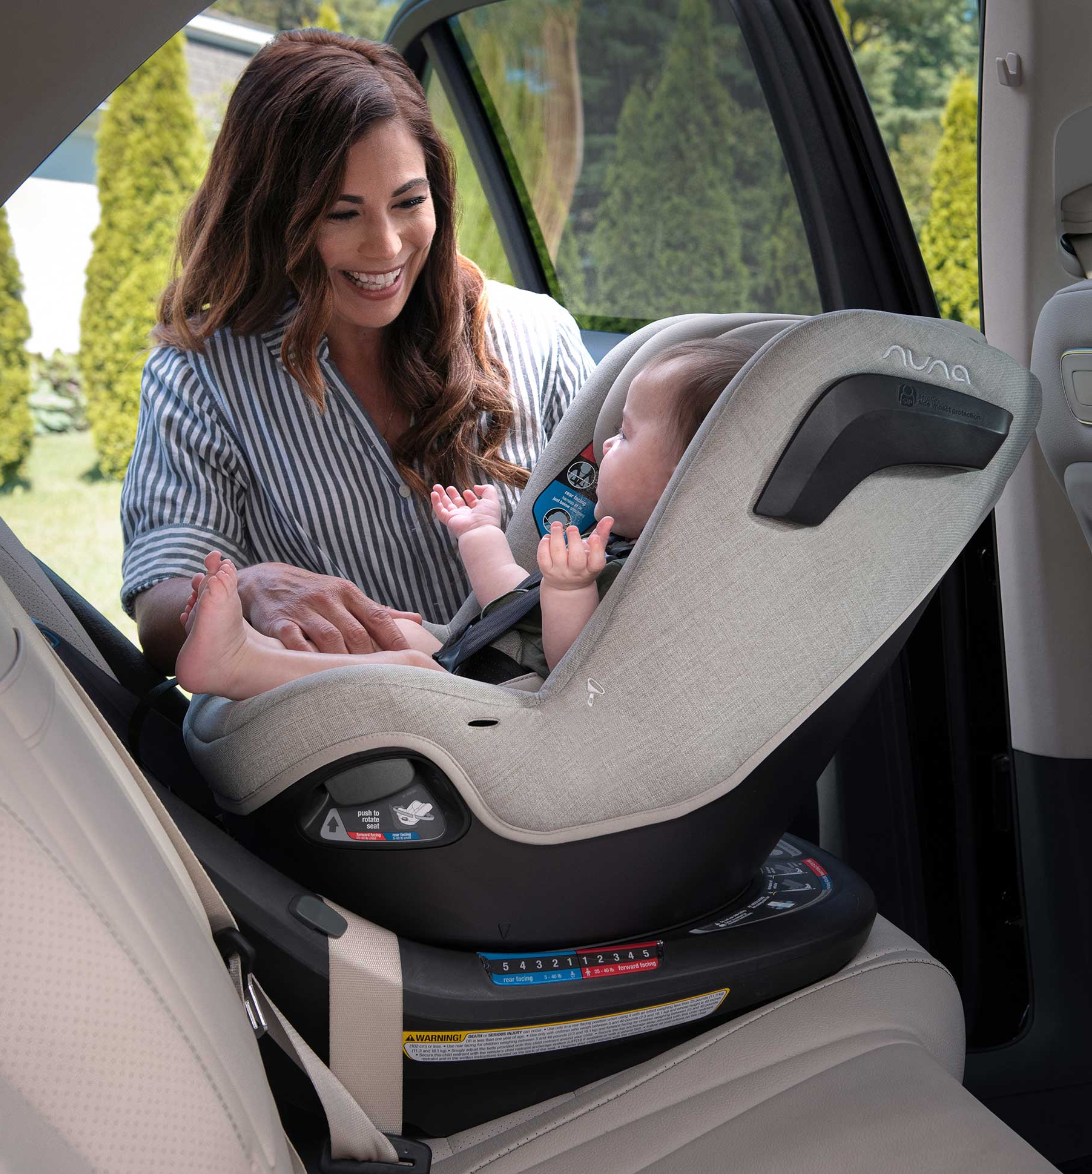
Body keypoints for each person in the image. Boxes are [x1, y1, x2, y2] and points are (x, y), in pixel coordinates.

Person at [120, 29, 594, 675]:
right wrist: (250, 589)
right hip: (378, 749)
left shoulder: (537, 333)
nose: (386, 245)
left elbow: (631, 529)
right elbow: (160, 602)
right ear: (271, 213)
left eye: (408, 202)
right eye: (342, 214)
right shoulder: (201, 376)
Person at [173, 338, 752, 700]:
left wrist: (569, 590)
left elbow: (577, 675)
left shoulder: (656, 580)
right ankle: (251, 644)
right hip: (487, 675)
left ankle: (236, 664)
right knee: (401, 633)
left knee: (405, 661)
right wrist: (481, 538)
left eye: (625, 435)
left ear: (690, 476)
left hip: (512, 716)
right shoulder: (613, 548)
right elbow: (513, 611)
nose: (602, 446)